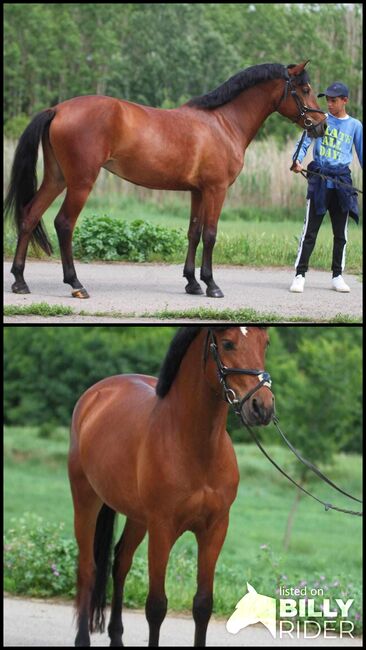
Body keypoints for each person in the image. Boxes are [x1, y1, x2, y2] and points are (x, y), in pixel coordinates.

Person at [290, 81, 362, 293]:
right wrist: (297, 160)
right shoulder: (320, 120)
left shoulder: (355, 126)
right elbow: (303, 143)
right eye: (327, 100)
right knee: (309, 232)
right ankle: (300, 274)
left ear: (345, 101)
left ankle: (337, 276)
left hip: (341, 183)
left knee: (340, 234)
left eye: (334, 100)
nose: (329, 104)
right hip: (320, 180)